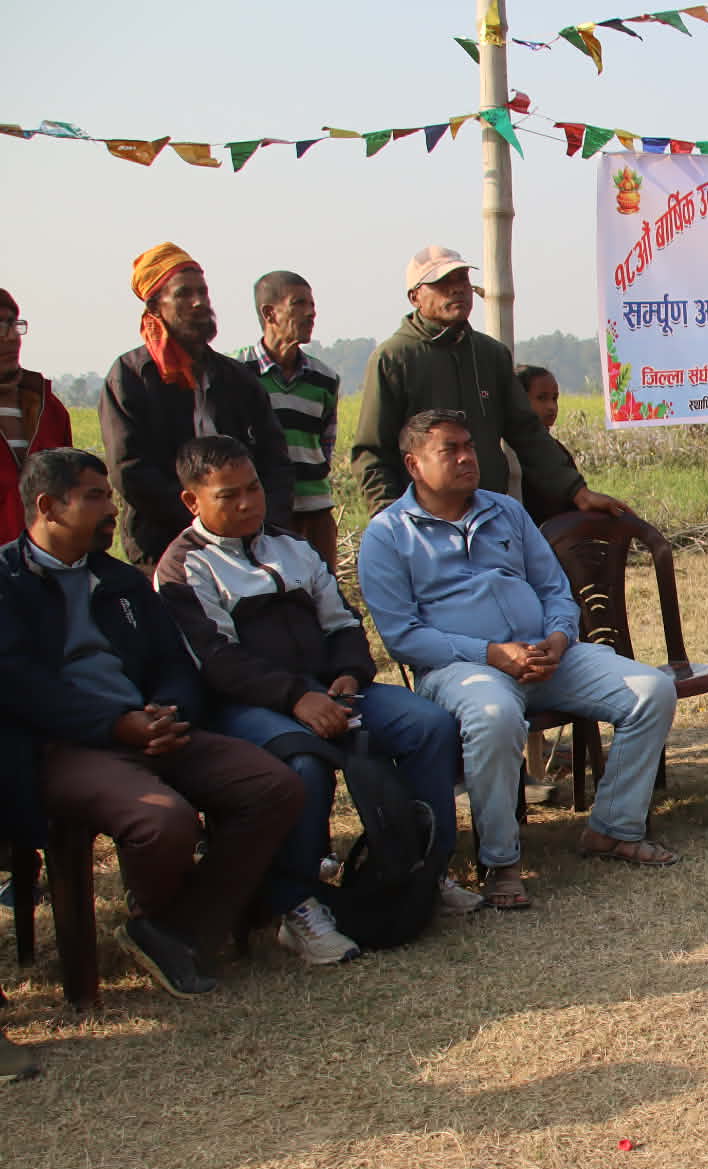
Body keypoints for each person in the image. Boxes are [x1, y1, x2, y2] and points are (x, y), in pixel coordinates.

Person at [155, 435, 479, 963]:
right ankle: (298, 905)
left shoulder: (292, 546)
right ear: (193, 501)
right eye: (229, 495)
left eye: (254, 488)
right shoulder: (183, 567)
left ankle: (422, 869)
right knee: (302, 763)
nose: (248, 504)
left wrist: (350, 672)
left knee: (429, 725)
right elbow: (217, 661)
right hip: (246, 706)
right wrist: (296, 698)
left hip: (330, 688)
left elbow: (342, 619)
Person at [0, 447, 302, 997]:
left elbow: (174, 662)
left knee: (275, 785)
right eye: (95, 497)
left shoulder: (121, 580)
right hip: (64, 746)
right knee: (164, 822)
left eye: (109, 496)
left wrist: (167, 711)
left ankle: (174, 931)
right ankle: (168, 929)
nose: (112, 510)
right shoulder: (7, 582)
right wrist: (117, 723)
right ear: (47, 506)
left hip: (152, 730)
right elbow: (20, 686)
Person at [357, 410, 679, 910]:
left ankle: (614, 828)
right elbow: (403, 636)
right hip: (462, 670)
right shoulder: (388, 535)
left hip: (545, 655)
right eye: (450, 450)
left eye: (469, 445)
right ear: (414, 465)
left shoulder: (505, 510)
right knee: (495, 715)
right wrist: (489, 653)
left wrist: (559, 637)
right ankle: (501, 862)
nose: (467, 458)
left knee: (651, 691)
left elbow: (554, 588)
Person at [351, 245, 630, 523]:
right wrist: (390, 519)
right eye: (442, 283)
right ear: (415, 297)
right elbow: (373, 452)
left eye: (462, 279)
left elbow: (527, 432)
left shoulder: (490, 354)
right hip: (423, 519)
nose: (457, 289)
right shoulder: (394, 359)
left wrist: (576, 491)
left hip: (486, 514)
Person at [99, 244, 293, 570]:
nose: (199, 302)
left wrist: (263, 522)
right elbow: (130, 471)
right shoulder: (131, 376)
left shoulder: (237, 378)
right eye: (184, 294)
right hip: (166, 548)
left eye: (202, 292)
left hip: (249, 543)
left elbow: (275, 459)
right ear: (155, 306)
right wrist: (208, 521)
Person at [235, 271, 342, 572]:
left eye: (312, 304)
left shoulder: (324, 379)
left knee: (322, 588)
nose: (311, 313)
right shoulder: (237, 372)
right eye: (298, 304)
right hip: (261, 514)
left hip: (315, 511)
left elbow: (326, 444)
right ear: (269, 313)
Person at [0, 289, 72, 545]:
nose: (11, 337)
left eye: (13, 324)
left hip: (43, 561)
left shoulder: (48, 408)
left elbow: (68, 492)